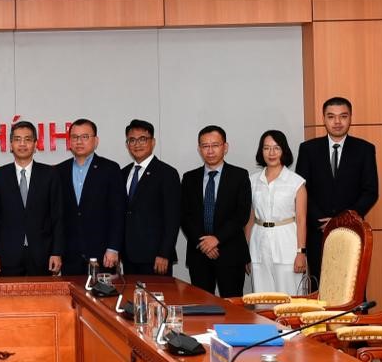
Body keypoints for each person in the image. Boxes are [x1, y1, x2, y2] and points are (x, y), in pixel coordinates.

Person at [295, 96, 378, 285]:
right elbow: (301, 189)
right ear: (323, 119)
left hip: (352, 231)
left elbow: (370, 191)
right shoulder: (308, 149)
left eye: (343, 116)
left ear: (350, 118)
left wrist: (342, 220)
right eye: (331, 116)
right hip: (317, 232)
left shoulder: (365, 149)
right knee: (320, 286)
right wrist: (321, 220)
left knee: (352, 285)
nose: (337, 122)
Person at [180, 125, 252, 298]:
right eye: (205, 146)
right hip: (199, 254)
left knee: (232, 304)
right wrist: (204, 243)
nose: (210, 151)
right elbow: (184, 215)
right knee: (201, 304)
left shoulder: (240, 176)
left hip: (230, 252)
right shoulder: (189, 178)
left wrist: (216, 239)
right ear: (199, 149)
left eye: (215, 145)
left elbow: (241, 214)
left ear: (225, 147)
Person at [0, 121, 63, 277]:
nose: (22, 144)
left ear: (35, 144)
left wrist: (57, 252)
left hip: (42, 254)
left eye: (27, 139)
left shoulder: (50, 174)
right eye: (17, 139)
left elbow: (58, 216)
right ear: (11, 144)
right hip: (8, 255)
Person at [56, 119, 124, 276]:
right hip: (69, 255)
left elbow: (117, 212)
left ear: (96, 141)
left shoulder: (110, 169)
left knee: (103, 292)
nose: (79, 141)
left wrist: (113, 248)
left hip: (102, 254)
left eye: (85, 137)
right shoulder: (60, 171)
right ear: (69, 141)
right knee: (71, 292)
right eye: (75, 137)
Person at [246, 130, 308, 295]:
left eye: (276, 148)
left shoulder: (296, 182)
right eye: (266, 148)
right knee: (262, 298)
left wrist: (301, 253)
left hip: (287, 244)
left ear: (284, 151)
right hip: (258, 244)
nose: (271, 153)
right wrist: (246, 253)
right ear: (261, 151)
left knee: (290, 297)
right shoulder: (252, 181)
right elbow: (250, 219)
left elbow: (301, 220)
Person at [120, 120, 181, 275]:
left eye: (142, 139)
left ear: (153, 142)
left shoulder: (167, 173)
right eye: (132, 140)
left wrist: (164, 253)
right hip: (128, 256)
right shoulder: (122, 173)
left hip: (156, 258)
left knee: (157, 292)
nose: (137, 144)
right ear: (127, 144)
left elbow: (172, 217)